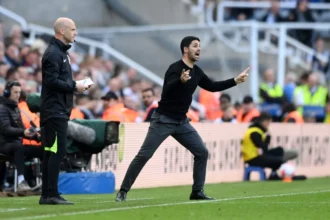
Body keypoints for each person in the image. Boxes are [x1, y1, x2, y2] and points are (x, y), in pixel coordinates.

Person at [115, 36, 249, 202]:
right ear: (185, 49)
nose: (198, 49)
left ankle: (197, 192)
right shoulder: (175, 68)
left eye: (199, 46)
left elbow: (213, 87)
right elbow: (168, 89)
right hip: (163, 120)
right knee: (144, 155)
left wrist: (235, 81)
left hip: (181, 122)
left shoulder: (197, 71)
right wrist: (180, 81)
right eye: (195, 46)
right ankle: (123, 191)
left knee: (201, 152)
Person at [39, 17, 90, 205]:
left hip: (57, 110)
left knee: (50, 152)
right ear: (62, 31)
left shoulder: (60, 53)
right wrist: (74, 86)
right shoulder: (54, 53)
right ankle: (50, 194)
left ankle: (47, 194)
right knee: (56, 152)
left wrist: (73, 85)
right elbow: (51, 81)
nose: (75, 33)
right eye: (73, 29)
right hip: (54, 111)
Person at [0, 81, 43, 191]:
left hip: (17, 143)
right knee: (19, 148)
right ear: (7, 92)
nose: (18, 95)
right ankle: (21, 181)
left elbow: (23, 130)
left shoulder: (16, 108)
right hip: (5, 144)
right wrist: (23, 132)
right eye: (15, 92)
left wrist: (36, 137)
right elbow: (6, 129)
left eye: (19, 93)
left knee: (44, 150)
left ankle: (45, 181)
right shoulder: (2, 108)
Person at [241, 112, 298, 180]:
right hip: (252, 158)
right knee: (279, 160)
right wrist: (268, 138)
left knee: (279, 151)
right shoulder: (255, 132)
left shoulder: (255, 131)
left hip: (254, 156)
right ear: (264, 122)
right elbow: (263, 147)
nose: (268, 125)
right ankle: (274, 174)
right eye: (268, 123)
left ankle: (274, 174)